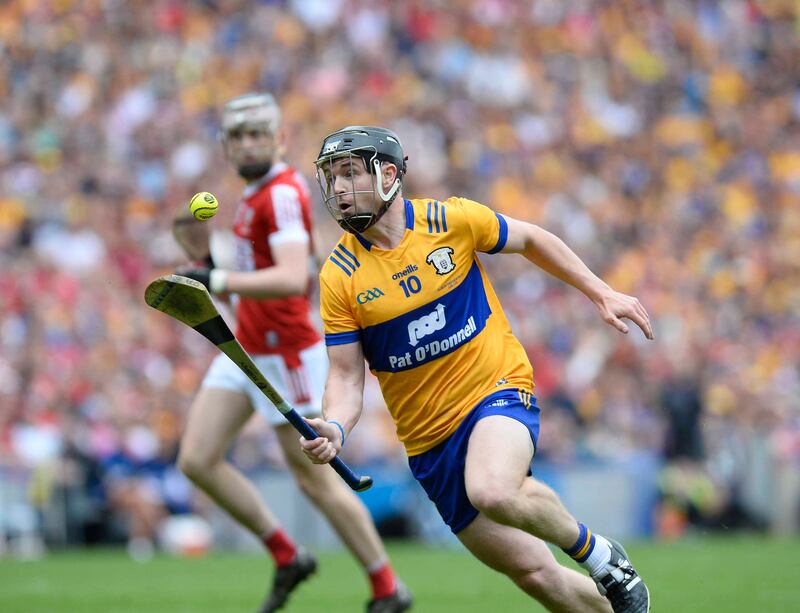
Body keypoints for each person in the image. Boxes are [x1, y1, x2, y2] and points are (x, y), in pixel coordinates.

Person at [301, 126, 654, 613]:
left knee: (491, 488)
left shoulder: (451, 220)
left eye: (349, 174)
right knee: (535, 575)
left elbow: (530, 238)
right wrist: (336, 426)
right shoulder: (339, 276)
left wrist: (601, 291)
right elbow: (344, 377)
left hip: (496, 390)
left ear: (387, 175)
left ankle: (601, 554)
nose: (337, 189)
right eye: (331, 178)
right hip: (429, 443)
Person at [177, 97, 412, 613]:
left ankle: (388, 587)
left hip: (285, 355)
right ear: (226, 146)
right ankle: (288, 556)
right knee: (196, 458)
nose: (248, 145)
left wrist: (212, 278)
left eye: (258, 134)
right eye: (237, 137)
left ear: (280, 138)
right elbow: (255, 273)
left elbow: (289, 278)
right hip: (247, 347)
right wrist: (208, 259)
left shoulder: (281, 193)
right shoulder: (252, 195)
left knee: (315, 481)